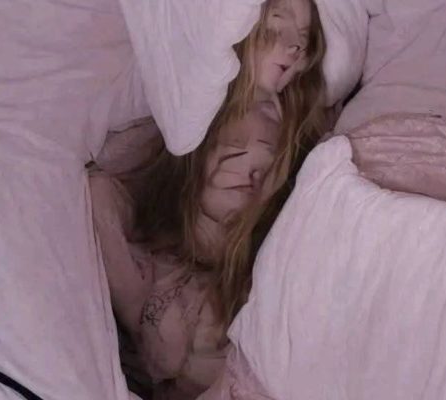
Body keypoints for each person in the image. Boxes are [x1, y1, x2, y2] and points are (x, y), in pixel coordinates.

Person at [89, 0, 327, 398]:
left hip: (240, 275)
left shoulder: (299, 123)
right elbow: (104, 183)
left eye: (303, 41)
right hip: (176, 259)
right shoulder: (196, 103)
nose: (293, 47)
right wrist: (135, 299)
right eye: (275, 28)